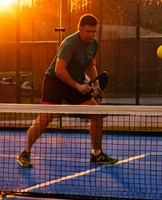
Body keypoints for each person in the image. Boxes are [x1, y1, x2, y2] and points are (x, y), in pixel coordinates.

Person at [17, 14, 117, 168]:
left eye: (94, 32)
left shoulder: (93, 44)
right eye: (88, 31)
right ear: (80, 29)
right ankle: (25, 152)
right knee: (45, 119)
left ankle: (97, 154)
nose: (91, 35)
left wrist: (95, 83)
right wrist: (78, 86)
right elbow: (59, 70)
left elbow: (90, 66)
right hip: (55, 82)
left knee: (97, 113)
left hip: (75, 82)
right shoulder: (70, 43)